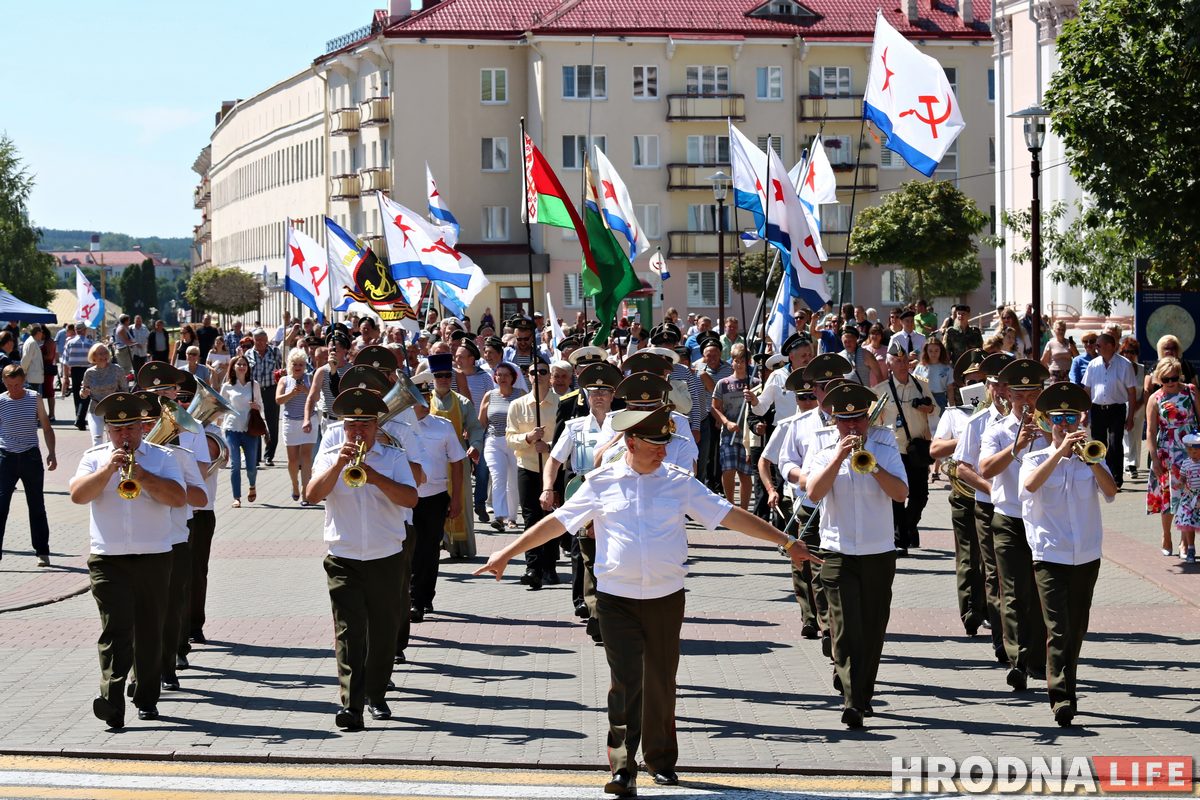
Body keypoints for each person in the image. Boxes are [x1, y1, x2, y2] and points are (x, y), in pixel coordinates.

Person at [476, 404, 817, 795]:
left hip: (665, 598)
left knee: (660, 680)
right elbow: (557, 523)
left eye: (666, 443)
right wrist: (506, 553)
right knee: (625, 682)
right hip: (615, 599)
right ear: (631, 442)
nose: (663, 451)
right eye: (655, 444)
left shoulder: (679, 482)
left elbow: (730, 515)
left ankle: (660, 759)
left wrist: (786, 541)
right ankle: (623, 767)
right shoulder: (600, 481)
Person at [69, 392, 186, 729]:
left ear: (142, 428)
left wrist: (144, 475)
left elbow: (178, 498)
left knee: (150, 631)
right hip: (108, 558)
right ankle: (111, 701)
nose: (125, 437)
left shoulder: (162, 457)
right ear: (108, 432)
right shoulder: (94, 459)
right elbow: (78, 495)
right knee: (115, 630)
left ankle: (147, 697)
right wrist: (108, 469)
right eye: (117, 431)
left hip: (154, 556)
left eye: (131, 429)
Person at [305, 388, 418, 731]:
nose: (357, 433)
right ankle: (351, 707)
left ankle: (377, 694)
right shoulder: (330, 456)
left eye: (364, 426)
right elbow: (311, 495)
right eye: (351, 425)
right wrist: (341, 464)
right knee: (349, 633)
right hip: (344, 557)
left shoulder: (393, 456)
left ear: (376, 427)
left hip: (386, 556)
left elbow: (411, 499)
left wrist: (374, 473)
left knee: (383, 632)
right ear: (342, 426)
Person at [802, 382, 908, 728]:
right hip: (838, 552)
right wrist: (838, 458)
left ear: (868, 419)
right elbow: (814, 493)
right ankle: (852, 701)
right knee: (846, 629)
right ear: (834, 422)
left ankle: (862, 693)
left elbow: (900, 494)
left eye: (859, 420)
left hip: (878, 552)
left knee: (873, 628)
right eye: (845, 422)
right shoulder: (822, 452)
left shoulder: (885, 446)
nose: (853, 427)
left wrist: (873, 466)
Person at [1018, 381, 1117, 726]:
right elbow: (1029, 487)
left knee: (1076, 629)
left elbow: (1111, 491)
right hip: (1049, 555)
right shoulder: (1034, 458)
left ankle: (1067, 685)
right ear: (1047, 422)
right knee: (1059, 628)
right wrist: (1059, 453)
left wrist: (1089, 461)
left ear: (1080, 421)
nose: (1064, 425)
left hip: (1086, 554)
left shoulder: (1091, 457)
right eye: (1058, 419)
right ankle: (1061, 697)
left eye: (1070, 418)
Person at [980, 358, 1051, 692]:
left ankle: (1037, 658)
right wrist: (1017, 446)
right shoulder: (996, 430)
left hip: (1046, 518)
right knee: (1012, 591)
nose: (1026, 400)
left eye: (1032, 392)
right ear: (1007, 394)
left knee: (1039, 591)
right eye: (1020, 393)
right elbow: (987, 469)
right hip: (1009, 518)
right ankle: (1018, 661)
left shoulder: (1053, 428)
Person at [542, 361, 621, 635]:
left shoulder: (623, 424)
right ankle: (593, 611)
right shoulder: (574, 427)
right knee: (585, 553)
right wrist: (548, 487)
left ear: (612, 395)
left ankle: (605, 610)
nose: (598, 396)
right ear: (585, 395)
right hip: (584, 493)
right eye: (593, 391)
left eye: (604, 391)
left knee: (610, 554)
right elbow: (553, 460)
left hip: (615, 495)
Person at [930, 350, 990, 636]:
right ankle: (970, 610)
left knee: (991, 556)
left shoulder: (997, 415)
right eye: (972, 379)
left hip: (991, 492)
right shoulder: (954, 414)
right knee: (968, 554)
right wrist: (965, 438)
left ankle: (992, 607)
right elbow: (935, 449)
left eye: (983, 379)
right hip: (964, 492)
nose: (977, 383)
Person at [407, 369, 467, 622]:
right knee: (406, 548)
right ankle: (411, 597)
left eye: (422, 399)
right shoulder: (398, 427)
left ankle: (421, 598)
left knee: (428, 550)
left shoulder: (442, 426)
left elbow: (457, 462)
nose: (418, 405)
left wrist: (456, 499)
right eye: (414, 400)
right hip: (405, 497)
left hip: (434, 497)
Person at [504, 359, 561, 588]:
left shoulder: (560, 403)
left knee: (552, 516)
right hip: (527, 466)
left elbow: (567, 437)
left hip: (553, 467)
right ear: (527, 376)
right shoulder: (517, 405)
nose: (538, 375)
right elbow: (509, 438)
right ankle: (533, 567)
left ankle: (549, 565)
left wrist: (547, 445)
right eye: (533, 372)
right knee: (530, 518)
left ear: (550, 375)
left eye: (543, 371)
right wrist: (528, 438)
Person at [873, 351, 935, 553]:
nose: (902, 364)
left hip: (918, 447)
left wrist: (929, 408)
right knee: (897, 496)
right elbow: (873, 420)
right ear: (889, 364)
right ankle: (900, 541)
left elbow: (936, 409)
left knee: (921, 495)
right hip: (894, 449)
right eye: (897, 361)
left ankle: (907, 528)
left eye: (905, 360)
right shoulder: (881, 390)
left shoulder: (920, 384)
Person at [0, 363, 56, 566]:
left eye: (16, 384)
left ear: (23, 381)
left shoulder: (34, 398)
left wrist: (52, 453)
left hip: (30, 457)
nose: (13, 389)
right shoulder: (1, 401)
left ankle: (42, 551)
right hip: (5, 457)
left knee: (36, 505)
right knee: (1, 506)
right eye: (8, 385)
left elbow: (47, 428)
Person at [1145, 357, 1196, 558]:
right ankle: (1166, 535)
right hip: (1167, 451)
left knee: (1189, 496)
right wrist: (1154, 459)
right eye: (1166, 379)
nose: (1171, 382)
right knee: (1168, 498)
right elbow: (1150, 431)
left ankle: (1186, 543)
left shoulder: (1191, 391)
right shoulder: (1155, 398)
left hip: (1191, 451)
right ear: (1159, 378)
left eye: (1174, 377)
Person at [1081, 333, 1138, 489]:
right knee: (1099, 445)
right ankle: (1100, 478)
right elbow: (1086, 390)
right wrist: (1084, 412)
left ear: (1110, 346)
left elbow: (1132, 392)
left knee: (1114, 444)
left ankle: (1116, 479)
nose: (1095, 348)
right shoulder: (1093, 365)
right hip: (1097, 409)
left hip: (1117, 409)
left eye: (1098, 345)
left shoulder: (1125, 364)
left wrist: (1131, 416)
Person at [711, 343, 757, 509]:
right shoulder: (723, 383)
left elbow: (760, 407)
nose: (739, 364)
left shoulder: (754, 382)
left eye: (742, 360)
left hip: (747, 435)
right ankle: (730, 506)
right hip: (729, 434)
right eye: (736, 360)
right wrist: (726, 422)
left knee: (745, 474)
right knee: (728, 470)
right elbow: (715, 407)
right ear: (732, 361)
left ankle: (744, 510)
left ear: (748, 362)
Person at [479, 362, 524, 530]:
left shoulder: (521, 395)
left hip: (515, 442)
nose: (502, 378)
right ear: (495, 377)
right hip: (493, 441)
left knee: (512, 481)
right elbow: (482, 421)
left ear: (513, 378)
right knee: (498, 478)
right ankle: (499, 516)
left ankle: (512, 517)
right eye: (499, 375)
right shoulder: (489, 395)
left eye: (506, 375)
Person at [220, 355, 262, 508]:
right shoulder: (227, 386)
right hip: (232, 429)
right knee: (235, 464)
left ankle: (252, 485)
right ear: (233, 367)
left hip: (249, 430)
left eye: (244, 364)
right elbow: (220, 407)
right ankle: (236, 497)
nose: (242, 367)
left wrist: (255, 406)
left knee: (251, 466)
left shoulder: (254, 385)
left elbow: (261, 406)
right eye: (239, 364)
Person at [276, 350, 317, 503]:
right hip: (290, 422)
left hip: (309, 420)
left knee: (306, 457)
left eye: (301, 364)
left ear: (305, 365)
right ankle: (295, 485)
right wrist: (292, 393)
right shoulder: (285, 380)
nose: (298, 367)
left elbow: (317, 397)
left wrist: (306, 390)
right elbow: (279, 400)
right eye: (295, 364)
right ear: (290, 365)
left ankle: (306, 492)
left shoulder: (309, 378)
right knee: (293, 460)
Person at [80, 344, 130, 445]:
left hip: (114, 410)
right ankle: (98, 460)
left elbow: (125, 391)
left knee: (113, 442)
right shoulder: (89, 373)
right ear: (93, 356)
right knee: (97, 439)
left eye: (105, 353)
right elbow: (83, 393)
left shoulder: (117, 369)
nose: (104, 356)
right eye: (100, 353)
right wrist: (83, 393)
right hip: (95, 410)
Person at [246, 329, 283, 467]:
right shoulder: (248, 354)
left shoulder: (275, 352)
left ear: (267, 339)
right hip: (254, 391)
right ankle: (256, 456)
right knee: (255, 422)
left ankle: (269, 455)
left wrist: (282, 373)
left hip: (271, 390)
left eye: (263, 339)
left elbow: (282, 369)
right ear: (253, 340)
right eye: (257, 340)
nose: (260, 342)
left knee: (272, 424)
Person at [1119, 336, 1147, 481]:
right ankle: (1129, 464)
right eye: (1126, 352)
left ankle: (1133, 463)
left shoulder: (1142, 369)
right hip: (1124, 405)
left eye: (1132, 352)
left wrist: (1139, 405)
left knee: (1136, 436)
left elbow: (1145, 392)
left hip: (1140, 406)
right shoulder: (1121, 369)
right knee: (1126, 434)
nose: (1129, 355)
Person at [1175, 435, 1200, 563]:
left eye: (1195, 452)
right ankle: (1190, 548)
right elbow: (1183, 477)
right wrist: (1180, 483)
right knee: (1189, 523)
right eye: (1190, 451)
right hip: (1189, 497)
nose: (1192, 454)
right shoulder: (1186, 463)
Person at [65, 325, 95, 431]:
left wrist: (65, 377)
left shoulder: (69, 343)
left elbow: (65, 361)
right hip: (87, 370)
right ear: (85, 331)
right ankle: (80, 418)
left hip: (74, 371)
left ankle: (78, 418)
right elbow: (93, 360)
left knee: (77, 395)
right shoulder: (90, 343)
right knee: (85, 394)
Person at [915, 338, 954, 410]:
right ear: (926, 352)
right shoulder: (921, 367)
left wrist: (952, 408)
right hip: (925, 400)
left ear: (941, 351)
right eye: (930, 351)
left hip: (940, 400)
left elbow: (950, 389)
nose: (933, 354)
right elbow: (914, 384)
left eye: (936, 351)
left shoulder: (947, 368)